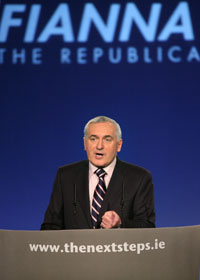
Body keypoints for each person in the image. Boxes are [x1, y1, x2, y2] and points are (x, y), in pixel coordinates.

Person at [41, 116, 155, 230]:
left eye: (107, 139)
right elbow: (50, 226)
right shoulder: (65, 176)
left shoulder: (139, 178)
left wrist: (121, 224)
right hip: (76, 247)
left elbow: (147, 227)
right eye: (93, 139)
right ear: (85, 144)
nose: (99, 146)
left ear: (119, 145)